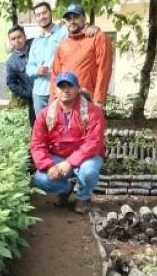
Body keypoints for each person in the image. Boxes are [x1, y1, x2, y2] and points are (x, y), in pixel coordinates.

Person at [31, 71, 106, 214]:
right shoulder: (45, 114)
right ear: (55, 90)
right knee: (40, 178)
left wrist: (70, 162)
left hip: (85, 158)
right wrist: (48, 166)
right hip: (57, 157)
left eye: (70, 86)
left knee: (89, 171)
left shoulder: (93, 112)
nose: (65, 90)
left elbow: (94, 142)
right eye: (61, 86)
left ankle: (83, 198)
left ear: (78, 88)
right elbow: (37, 144)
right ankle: (65, 190)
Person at [50, 3, 113, 107]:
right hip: (66, 100)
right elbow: (55, 74)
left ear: (84, 18)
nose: (72, 21)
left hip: (89, 99)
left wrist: (99, 99)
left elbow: (104, 70)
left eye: (76, 17)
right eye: (69, 19)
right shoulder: (62, 45)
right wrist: (54, 99)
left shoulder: (98, 38)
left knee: (91, 124)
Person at [6, 25, 35, 125]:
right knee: (36, 129)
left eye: (19, 37)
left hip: (50, 93)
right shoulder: (12, 62)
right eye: (13, 39)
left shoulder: (36, 45)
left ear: (25, 36)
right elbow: (11, 83)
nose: (17, 41)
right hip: (33, 100)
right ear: (10, 41)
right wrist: (27, 93)